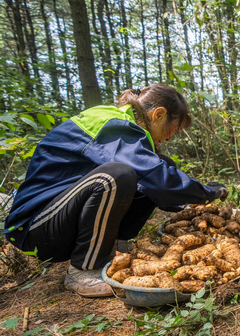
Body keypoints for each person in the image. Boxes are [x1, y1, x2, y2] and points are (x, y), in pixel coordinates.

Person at [3, 85, 228, 298]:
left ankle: (111, 246)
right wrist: (206, 193)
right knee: (117, 175)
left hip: (61, 218)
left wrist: (191, 204)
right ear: (158, 115)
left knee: (154, 164)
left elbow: (155, 181)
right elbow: (154, 176)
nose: (169, 138)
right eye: (173, 130)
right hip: (35, 226)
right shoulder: (113, 124)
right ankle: (84, 270)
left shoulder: (125, 125)